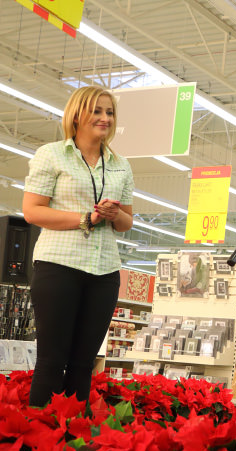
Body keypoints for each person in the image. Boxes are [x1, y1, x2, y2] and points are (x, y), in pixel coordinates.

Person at [23, 86, 134, 407]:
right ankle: (39, 443)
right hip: (58, 267)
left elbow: (128, 221)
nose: (105, 118)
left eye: (109, 112)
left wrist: (114, 215)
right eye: (97, 111)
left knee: (84, 365)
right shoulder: (52, 154)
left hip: (104, 271)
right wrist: (87, 217)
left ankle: (75, 443)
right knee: (51, 361)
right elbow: (33, 211)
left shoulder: (120, 165)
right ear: (77, 115)